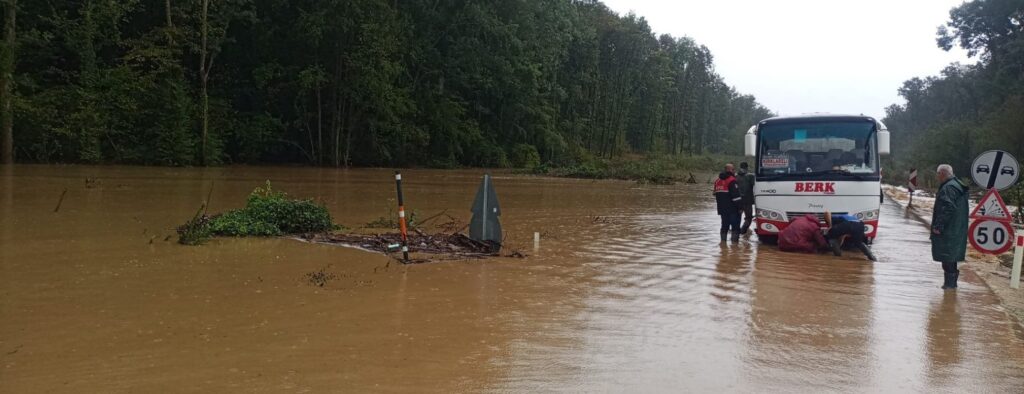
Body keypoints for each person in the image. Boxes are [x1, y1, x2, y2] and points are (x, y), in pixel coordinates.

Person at [930, 164, 969, 290]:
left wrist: (938, 226)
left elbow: (948, 207)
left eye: (938, 174)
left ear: (942, 173)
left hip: (949, 229)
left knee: (947, 257)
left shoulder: (948, 188)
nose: (937, 177)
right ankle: (950, 285)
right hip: (956, 228)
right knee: (951, 256)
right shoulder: (957, 185)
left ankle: (950, 285)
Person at [714, 163, 742, 242]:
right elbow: (736, 197)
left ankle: (723, 245)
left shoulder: (717, 181)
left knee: (724, 226)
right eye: (733, 169)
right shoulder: (732, 180)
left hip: (722, 209)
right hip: (732, 209)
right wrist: (740, 207)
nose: (734, 171)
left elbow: (715, 195)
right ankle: (735, 247)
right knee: (735, 227)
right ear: (729, 170)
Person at [736, 162, 756, 234]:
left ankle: (735, 234)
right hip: (747, 201)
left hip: (737, 201)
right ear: (747, 167)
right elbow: (756, 186)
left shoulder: (735, 176)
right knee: (748, 218)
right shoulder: (751, 176)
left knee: (737, 217)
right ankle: (742, 232)